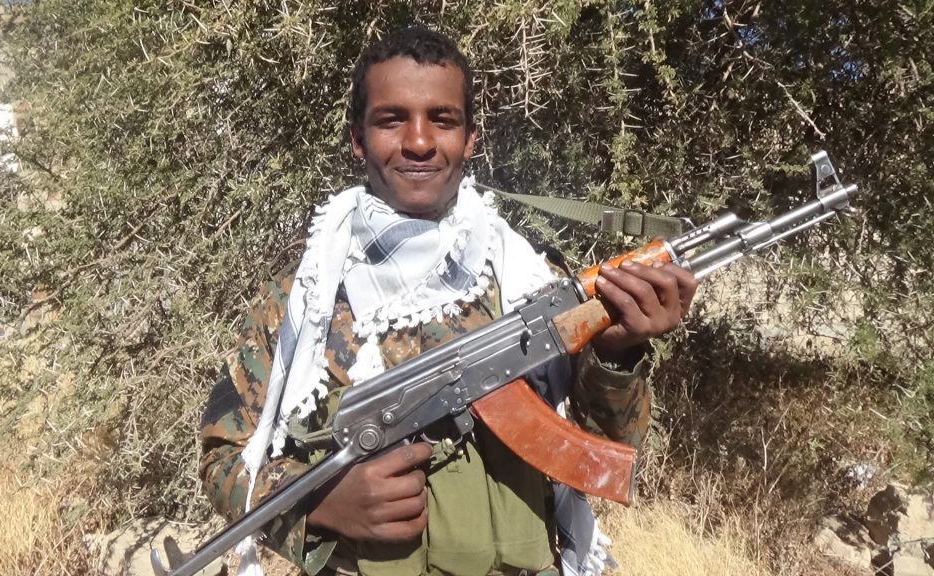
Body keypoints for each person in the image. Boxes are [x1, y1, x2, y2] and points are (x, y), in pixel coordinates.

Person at [199, 26, 697, 576]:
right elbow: (225, 461)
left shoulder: (528, 275)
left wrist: (617, 353)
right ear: (358, 138)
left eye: (442, 119)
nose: (419, 141)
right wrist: (320, 505)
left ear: (470, 138)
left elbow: (605, 447)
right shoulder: (303, 299)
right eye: (392, 119)